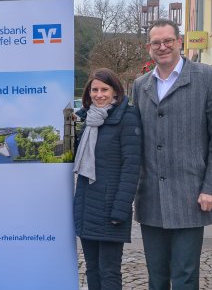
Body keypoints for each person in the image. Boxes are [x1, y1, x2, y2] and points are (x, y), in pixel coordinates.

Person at [132, 19, 212, 290]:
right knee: (156, 275)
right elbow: (134, 139)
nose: (162, 47)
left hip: (191, 194)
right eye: (156, 42)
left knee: (186, 274)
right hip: (151, 195)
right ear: (149, 47)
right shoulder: (140, 85)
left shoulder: (208, 78)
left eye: (168, 41)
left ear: (180, 42)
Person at [72, 68, 143, 290]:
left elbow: (131, 167)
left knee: (109, 271)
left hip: (110, 207)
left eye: (104, 89)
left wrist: (121, 210)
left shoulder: (128, 118)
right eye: (95, 89)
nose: (99, 94)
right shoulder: (88, 121)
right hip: (87, 206)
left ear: (115, 92)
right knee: (92, 269)